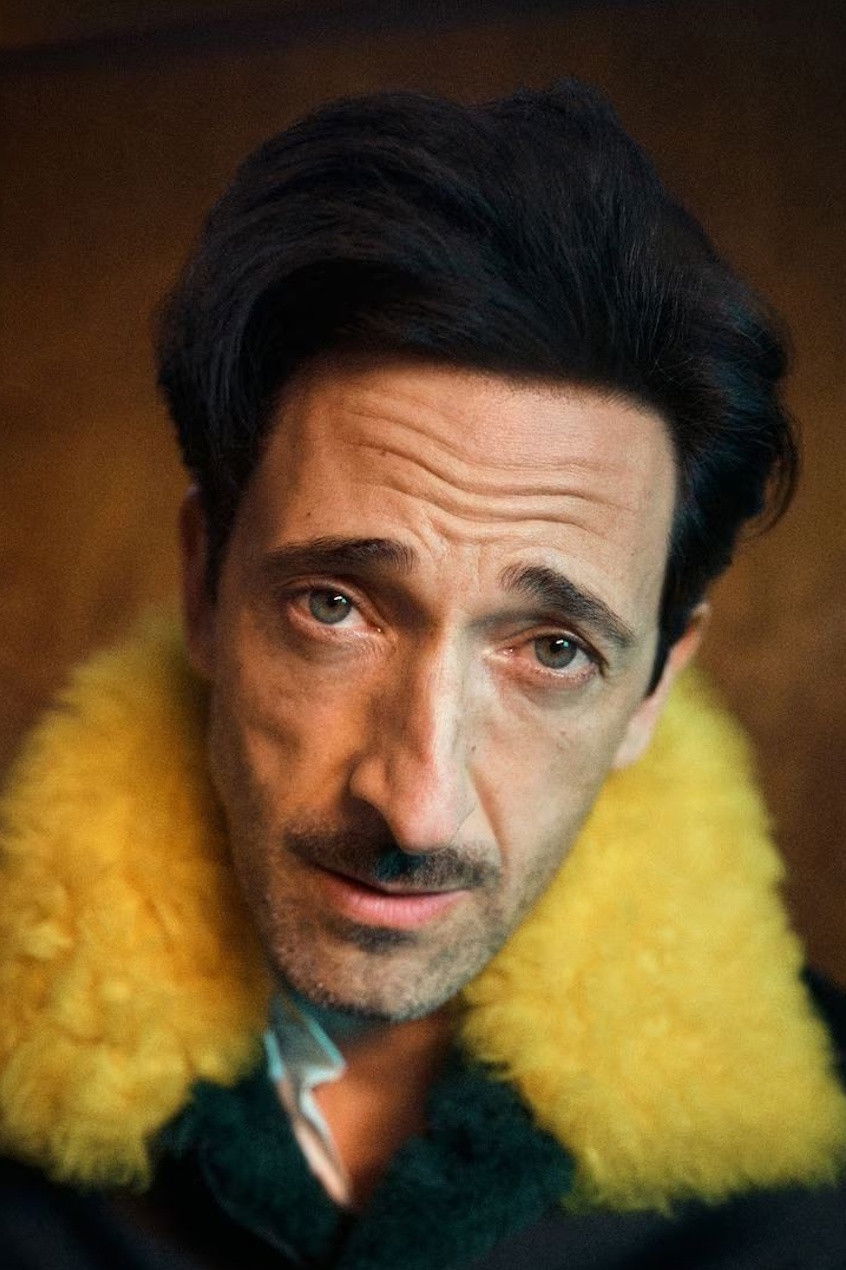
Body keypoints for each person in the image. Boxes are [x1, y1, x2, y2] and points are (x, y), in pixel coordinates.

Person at [1, 80, 844, 1270]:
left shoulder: (817, 1187)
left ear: (654, 689)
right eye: (335, 605)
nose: (416, 806)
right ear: (202, 585)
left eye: (554, 649)